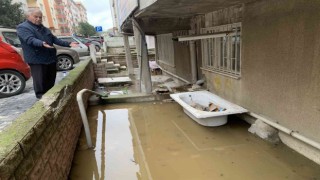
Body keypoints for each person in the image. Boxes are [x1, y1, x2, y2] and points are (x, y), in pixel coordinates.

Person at [17, 9, 78, 99]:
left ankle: (50, 96)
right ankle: (41, 99)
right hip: (37, 60)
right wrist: (41, 43)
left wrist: (68, 44)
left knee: (50, 80)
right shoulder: (23, 27)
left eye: (40, 17)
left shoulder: (44, 29)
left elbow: (55, 39)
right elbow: (30, 39)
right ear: (28, 16)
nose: (38, 19)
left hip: (50, 58)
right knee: (40, 81)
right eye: (36, 17)